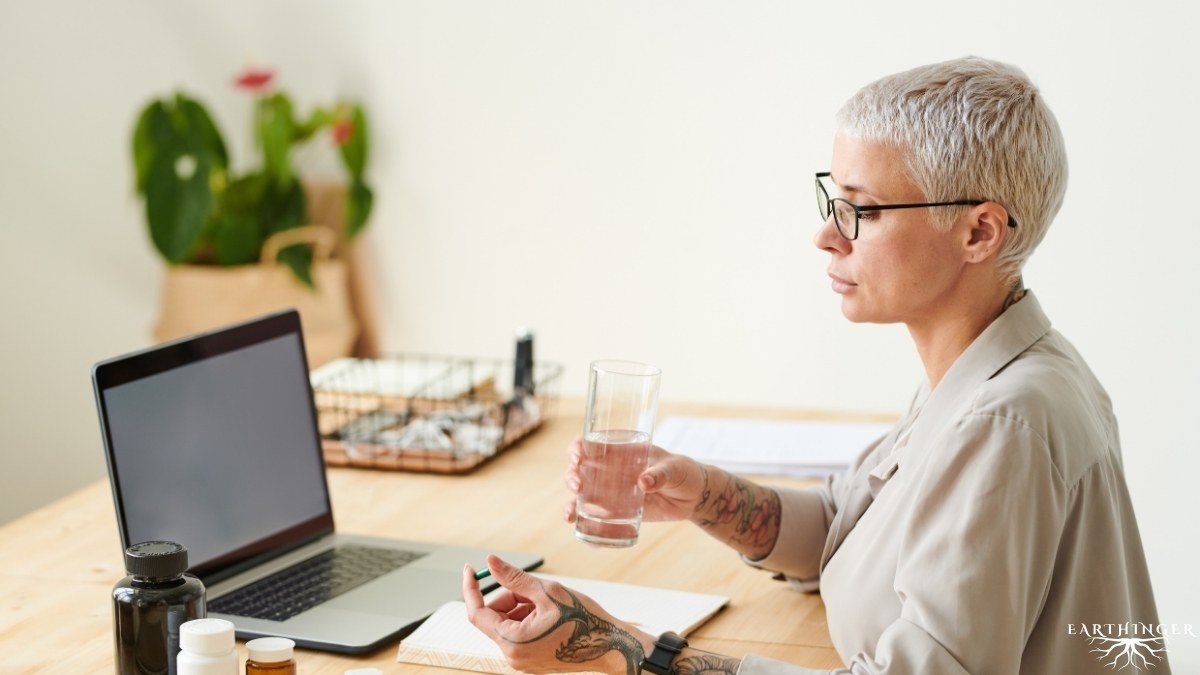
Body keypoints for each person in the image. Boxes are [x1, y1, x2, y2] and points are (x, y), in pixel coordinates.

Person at [462, 56, 1167, 674]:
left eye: (864, 210)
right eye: (834, 200)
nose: (827, 235)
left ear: (978, 232)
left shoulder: (1005, 420)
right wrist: (703, 492)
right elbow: (843, 522)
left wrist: (621, 650)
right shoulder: (986, 371)